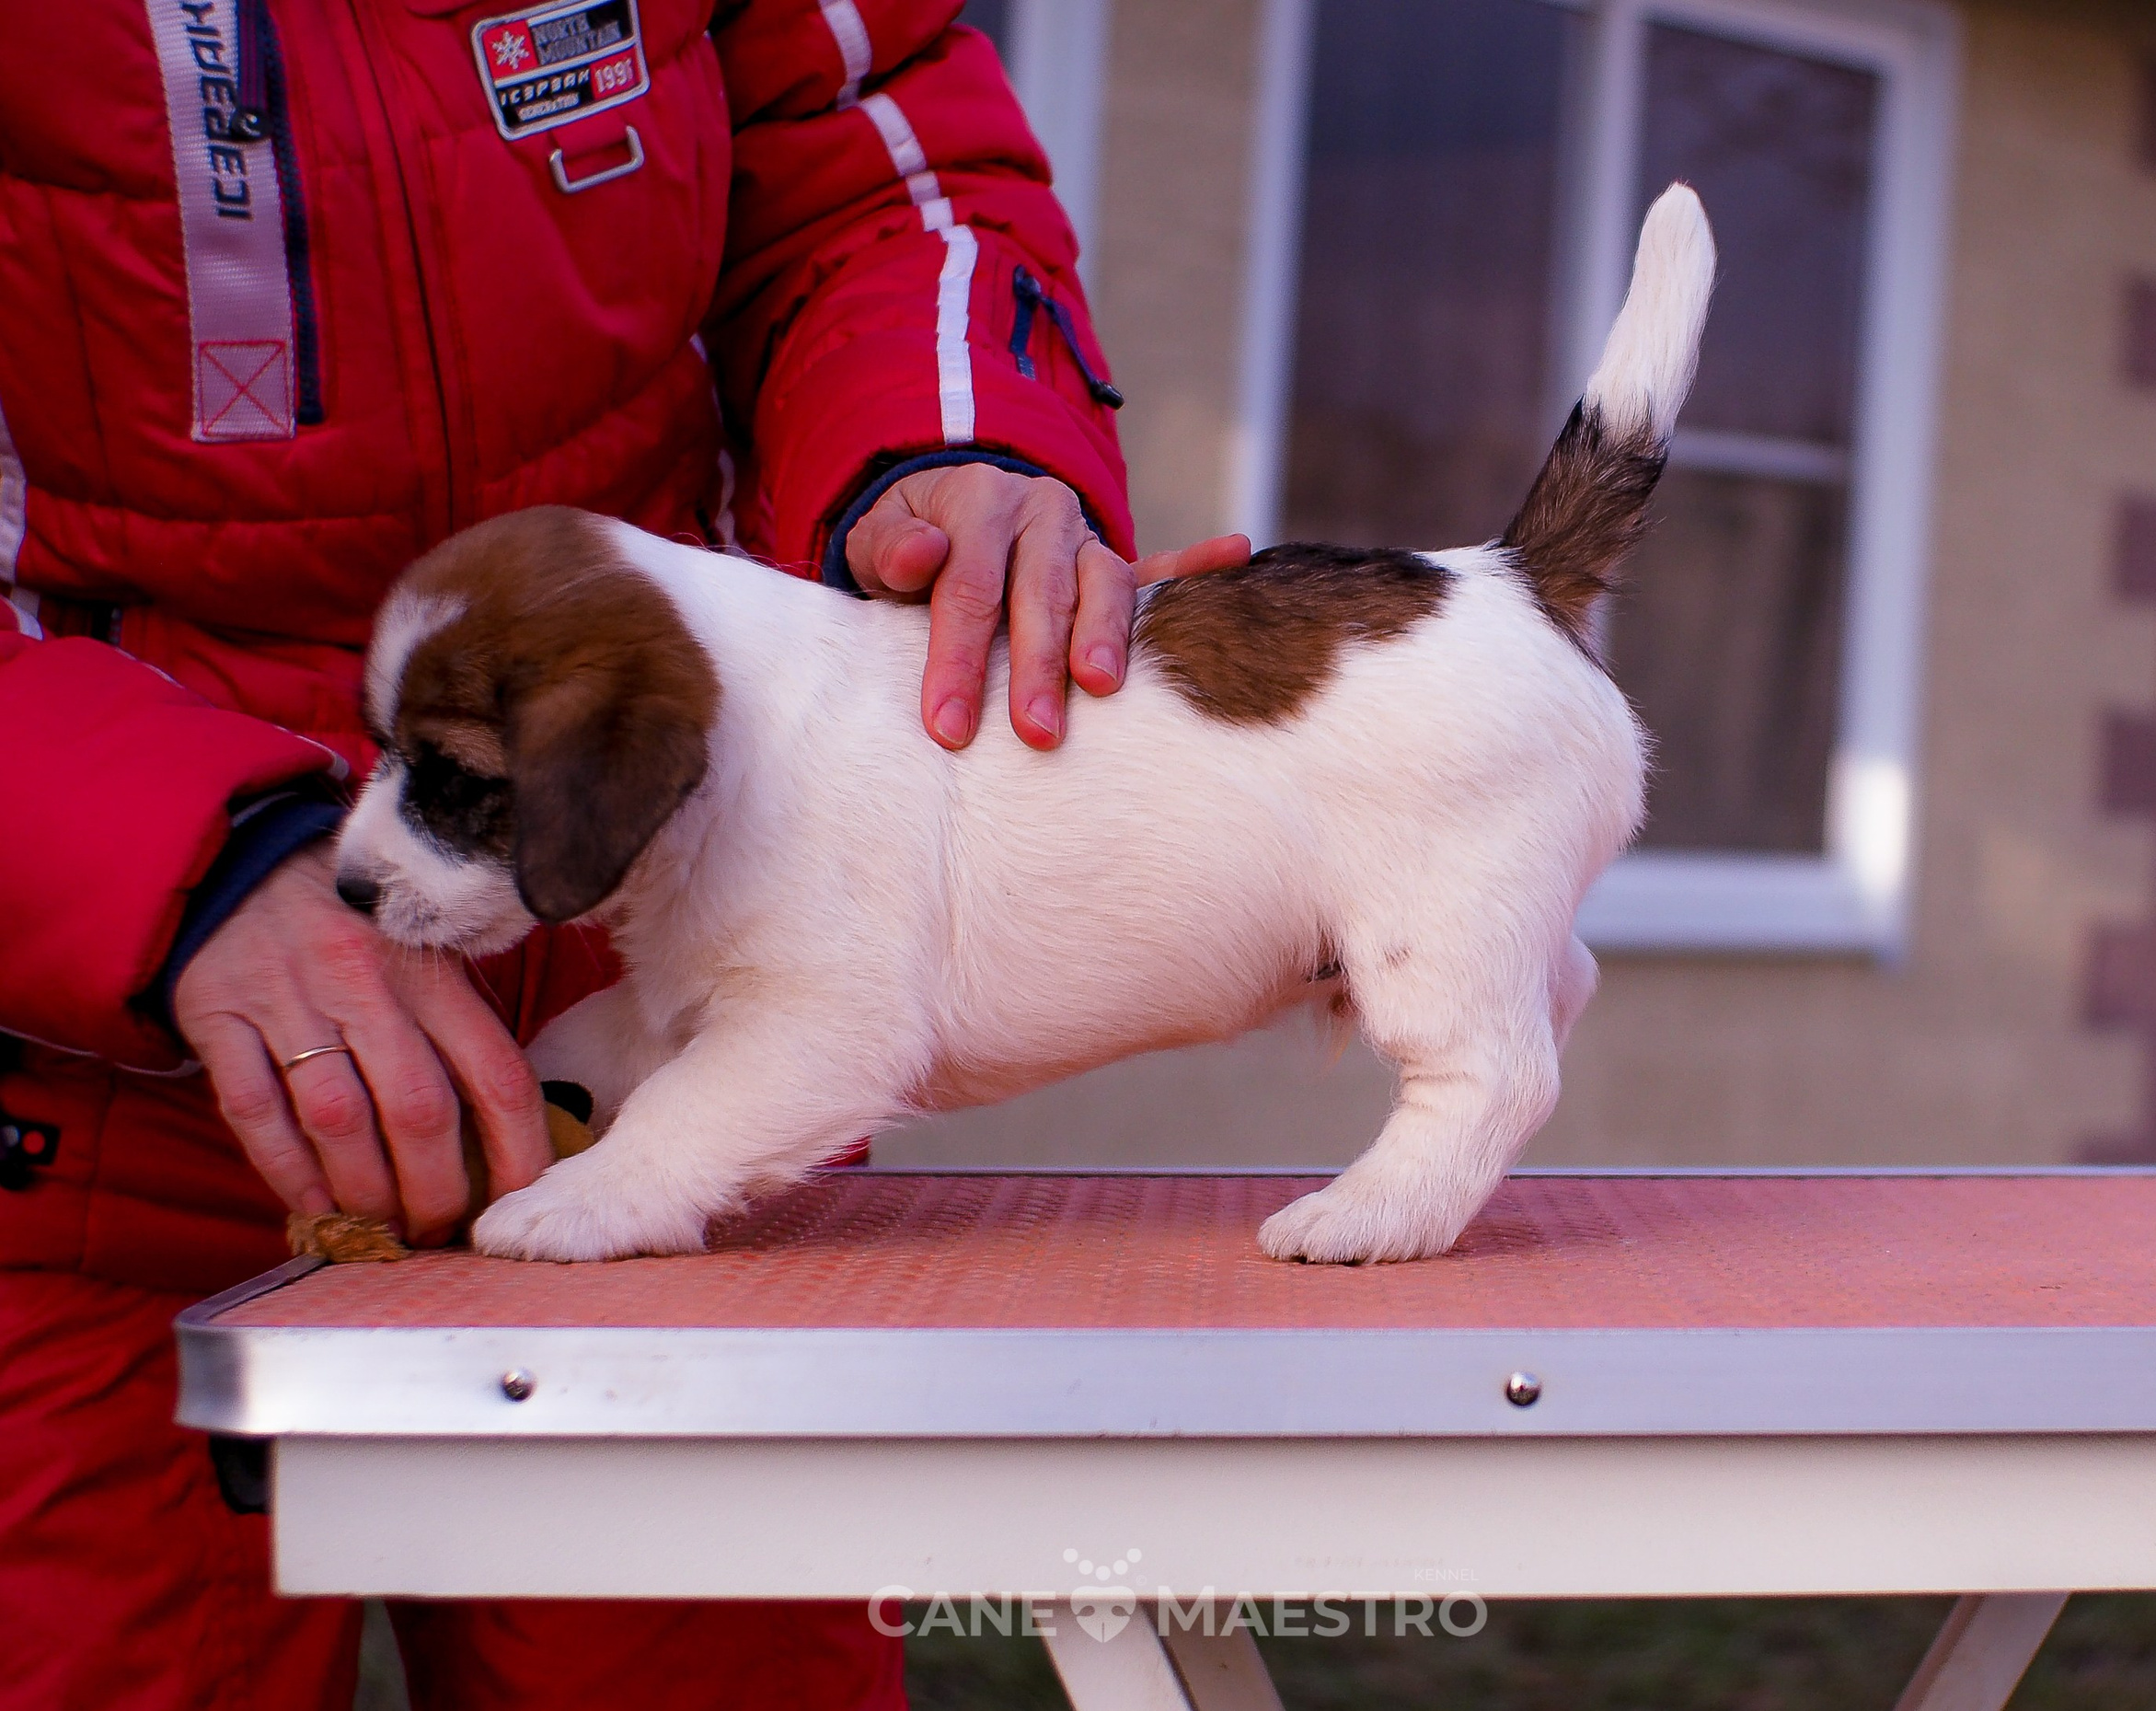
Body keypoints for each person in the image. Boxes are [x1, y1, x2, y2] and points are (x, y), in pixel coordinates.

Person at [0, 4, 1240, 1705]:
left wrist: (951, 442)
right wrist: (160, 855)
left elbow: (873, 157)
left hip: (680, 1045)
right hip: (102, 1108)